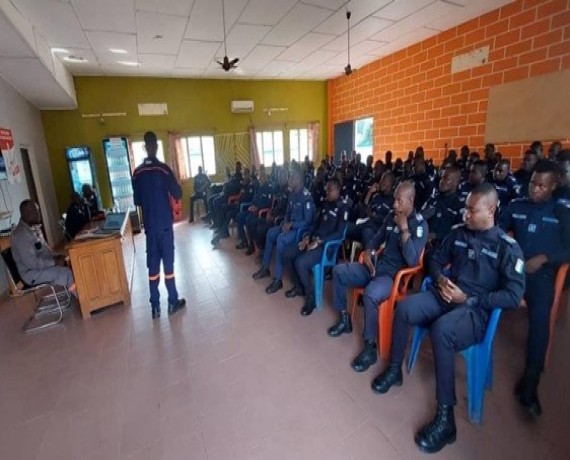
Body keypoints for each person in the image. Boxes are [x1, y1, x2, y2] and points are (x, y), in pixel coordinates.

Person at [371, 183, 525, 454]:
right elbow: (435, 259)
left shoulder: (506, 248)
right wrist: (441, 278)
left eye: (472, 210)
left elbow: (513, 296)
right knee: (405, 309)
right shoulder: (457, 233)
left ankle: (446, 420)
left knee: (441, 330)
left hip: (474, 310)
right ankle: (395, 370)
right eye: (465, 208)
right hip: (445, 295)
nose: (465, 214)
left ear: (491, 210)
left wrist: (469, 299)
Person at [328, 182, 428, 373]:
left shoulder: (419, 224)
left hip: (393, 277)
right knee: (339, 271)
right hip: (376, 266)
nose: (395, 205)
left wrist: (405, 230)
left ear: (411, 201)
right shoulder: (391, 217)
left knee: (371, 294)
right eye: (394, 200)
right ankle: (344, 319)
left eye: (399, 201)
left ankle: (370, 347)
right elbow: (376, 238)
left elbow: (413, 259)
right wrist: (367, 251)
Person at [499, 160, 570, 419]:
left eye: (542, 186)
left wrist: (544, 257)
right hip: (512, 269)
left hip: (540, 276)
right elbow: (496, 231)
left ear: (553, 186)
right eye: (532, 183)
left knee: (541, 318)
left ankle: (529, 387)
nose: (535, 189)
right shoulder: (517, 206)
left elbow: (568, 248)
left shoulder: (561, 211)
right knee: (478, 288)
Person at [132, 131, 185, 319]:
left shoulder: (137, 173)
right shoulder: (164, 170)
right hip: (164, 226)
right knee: (168, 266)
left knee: (153, 268)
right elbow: (178, 193)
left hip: (150, 228)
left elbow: (137, 200)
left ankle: (155, 306)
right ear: (156, 146)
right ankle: (173, 302)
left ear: (145, 147)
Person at [286, 177, 349, 316]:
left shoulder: (343, 207)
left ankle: (311, 297)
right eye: (326, 189)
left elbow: (339, 233)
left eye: (330, 190)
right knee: (289, 253)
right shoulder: (325, 204)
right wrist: (307, 236)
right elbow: (315, 224)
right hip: (314, 241)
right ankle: (299, 287)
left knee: (300, 262)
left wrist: (320, 241)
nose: (327, 192)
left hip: (327, 247)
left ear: (338, 191)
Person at [252, 166, 314, 294]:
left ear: (299, 180)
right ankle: (265, 268)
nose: (289, 180)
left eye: (292, 178)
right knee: (270, 233)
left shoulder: (306, 196)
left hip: (299, 231)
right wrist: (286, 223)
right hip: (289, 227)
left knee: (280, 239)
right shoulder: (292, 194)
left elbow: (308, 221)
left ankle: (277, 279)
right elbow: (288, 213)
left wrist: (291, 225)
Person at [12, 200, 75, 292]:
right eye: (35, 211)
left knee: (71, 263)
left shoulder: (34, 227)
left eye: (38, 210)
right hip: (32, 274)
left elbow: (46, 249)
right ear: (25, 213)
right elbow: (32, 264)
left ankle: (84, 294)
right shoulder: (21, 235)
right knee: (66, 273)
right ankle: (84, 300)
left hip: (41, 267)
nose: (39, 214)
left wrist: (57, 257)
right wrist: (55, 262)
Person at [421, 165, 463, 258]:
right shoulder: (433, 198)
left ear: (455, 182)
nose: (441, 181)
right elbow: (420, 218)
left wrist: (436, 236)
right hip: (422, 241)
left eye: (446, 179)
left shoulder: (459, 205)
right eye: (441, 178)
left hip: (442, 247)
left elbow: (460, 234)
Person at [235, 169, 273, 250]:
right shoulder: (259, 188)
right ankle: (244, 240)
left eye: (263, 177)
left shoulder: (269, 189)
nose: (261, 179)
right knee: (239, 216)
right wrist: (252, 206)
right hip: (254, 210)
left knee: (249, 220)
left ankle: (252, 245)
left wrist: (258, 208)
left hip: (261, 213)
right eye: (260, 178)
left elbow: (269, 204)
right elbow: (254, 200)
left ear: (266, 178)